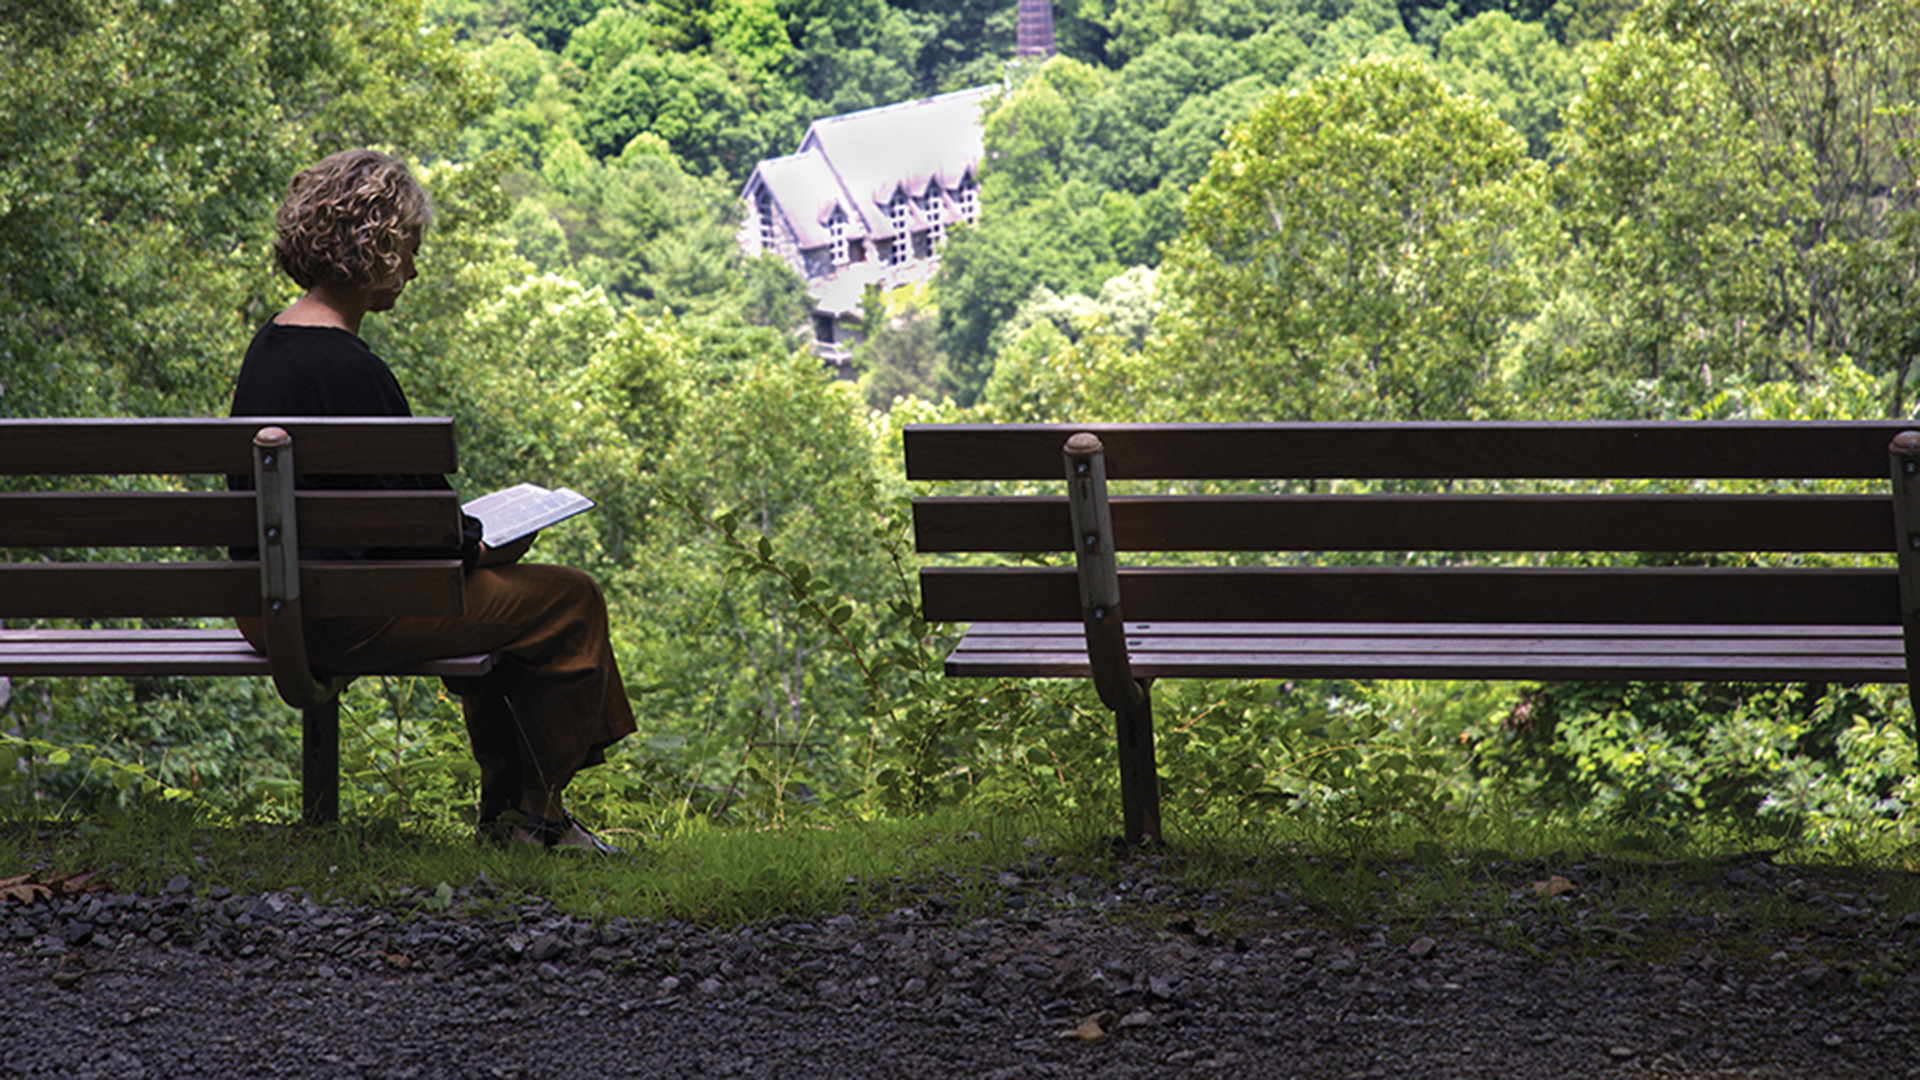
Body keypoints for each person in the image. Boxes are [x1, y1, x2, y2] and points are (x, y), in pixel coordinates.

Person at [230, 149, 635, 853]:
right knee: (571, 601)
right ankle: (537, 821)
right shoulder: (353, 371)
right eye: (410, 249)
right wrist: (485, 543)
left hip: (267, 611)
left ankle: (511, 813)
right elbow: (422, 532)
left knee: (512, 615)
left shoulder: (268, 349)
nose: (413, 270)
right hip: (342, 620)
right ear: (377, 246)